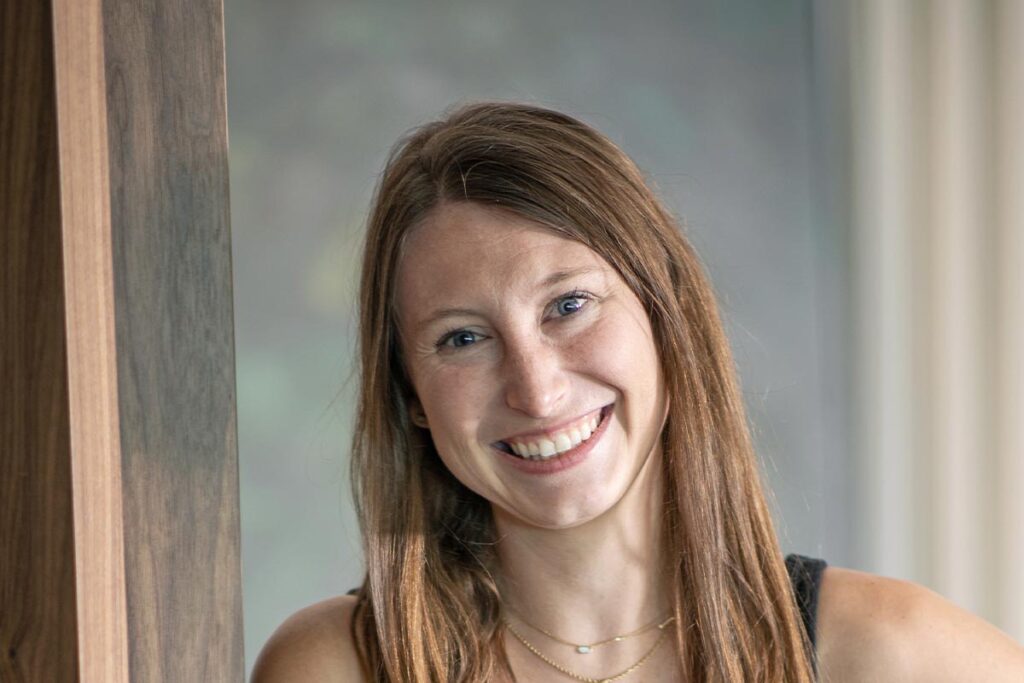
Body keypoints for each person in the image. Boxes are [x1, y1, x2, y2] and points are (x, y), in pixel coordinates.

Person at [251, 102, 1024, 682]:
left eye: (568, 305)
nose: (537, 387)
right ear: (411, 394)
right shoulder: (335, 667)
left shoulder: (886, 651)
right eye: (462, 338)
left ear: (666, 314)